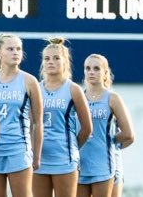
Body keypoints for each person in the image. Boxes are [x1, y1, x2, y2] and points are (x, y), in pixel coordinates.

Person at [0, 33, 43, 197]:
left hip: (18, 151)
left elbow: (37, 122)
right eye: (10, 49)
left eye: (18, 49)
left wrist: (36, 155)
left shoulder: (29, 81)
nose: (15, 52)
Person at [32, 37, 93, 197]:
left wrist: (70, 147)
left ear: (65, 61)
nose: (50, 62)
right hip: (39, 160)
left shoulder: (73, 89)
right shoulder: (34, 89)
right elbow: (31, 123)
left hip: (64, 159)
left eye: (56, 58)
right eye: (47, 58)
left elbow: (87, 129)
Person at [77, 54, 135, 197]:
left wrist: (108, 142)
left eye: (96, 68)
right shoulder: (77, 96)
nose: (91, 72)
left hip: (106, 164)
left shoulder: (112, 98)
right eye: (87, 68)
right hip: (80, 164)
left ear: (105, 73)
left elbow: (128, 135)